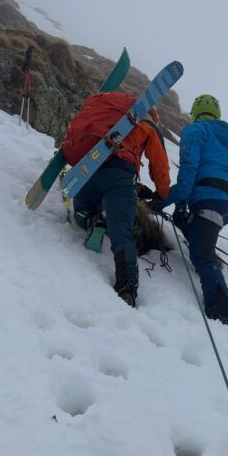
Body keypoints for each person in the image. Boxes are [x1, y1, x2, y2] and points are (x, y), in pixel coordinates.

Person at [61, 91, 170, 307]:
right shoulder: (145, 120)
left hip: (87, 169)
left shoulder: (104, 110)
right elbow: (159, 165)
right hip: (120, 175)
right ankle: (127, 288)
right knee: (122, 234)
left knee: (81, 217)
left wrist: (138, 188)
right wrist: (162, 194)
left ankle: (94, 220)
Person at [165, 94, 228, 328]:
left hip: (210, 200)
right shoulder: (224, 140)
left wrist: (179, 204)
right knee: (196, 230)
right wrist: (162, 201)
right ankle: (207, 261)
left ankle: (223, 312)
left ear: (194, 113)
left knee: (202, 254)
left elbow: (189, 168)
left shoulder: (196, 130)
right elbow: (205, 178)